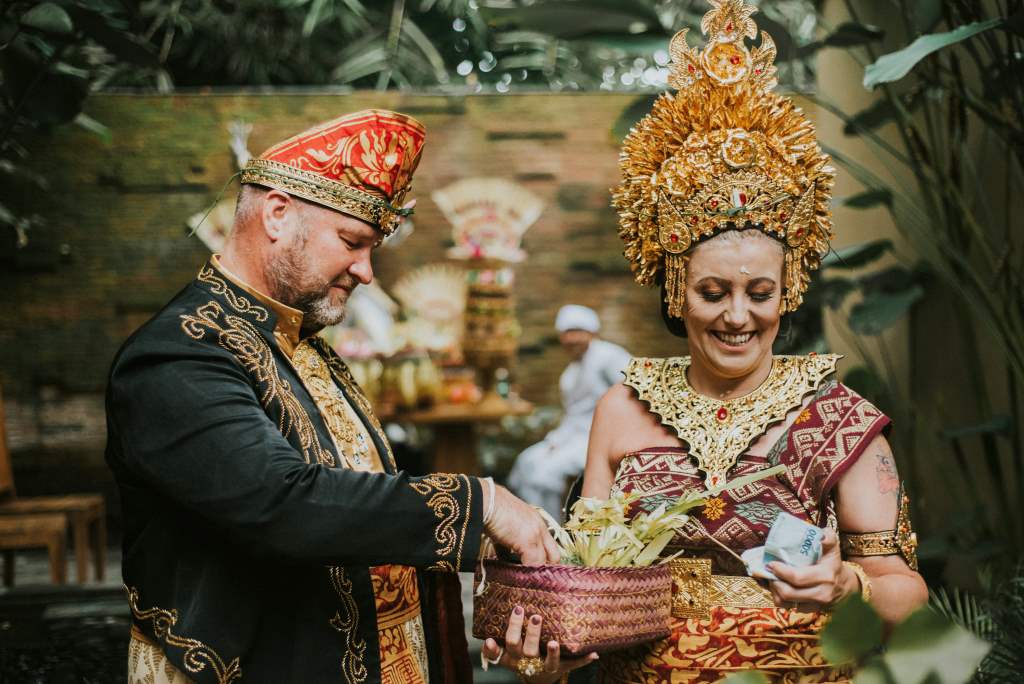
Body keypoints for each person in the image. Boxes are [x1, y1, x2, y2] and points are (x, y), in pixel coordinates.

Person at [481, 2, 927, 681]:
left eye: (760, 293)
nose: (737, 317)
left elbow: (907, 592)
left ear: (790, 290)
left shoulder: (842, 422)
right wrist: (541, 650)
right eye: (712, 293)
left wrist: (846, 587)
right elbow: (590, 596)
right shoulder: (621, 411)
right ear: (673, 291)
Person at [105, 109, 561, 684]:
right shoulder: (177, 354)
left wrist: (498, 564)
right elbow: (282, 505)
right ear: (276, 213)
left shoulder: (303, 345)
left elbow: (361, 505)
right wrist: (482, 504)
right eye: (352, 241)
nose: (367, 271)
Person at [507, 305, 631, 519]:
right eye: (567, 332)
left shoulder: (608, 356)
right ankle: (533, 523)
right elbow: (574, 415)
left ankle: (554, 532)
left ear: (592, 332)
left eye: (577, 331)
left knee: (544, 474)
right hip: (572, 436)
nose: (572, 338)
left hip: (602, 438)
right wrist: (556, 439)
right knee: (526, 462)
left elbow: (634, 390)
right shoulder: (571, 371)